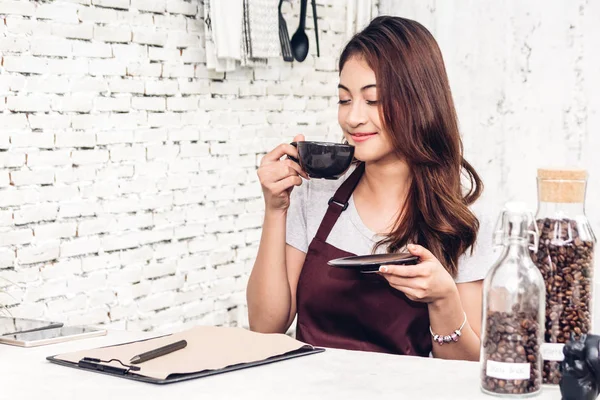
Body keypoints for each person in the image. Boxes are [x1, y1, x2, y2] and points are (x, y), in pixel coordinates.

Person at [246, 15, 495, 361]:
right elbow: (264, 326)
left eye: (373, 100)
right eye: (345, 100)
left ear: (419, 101)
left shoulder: (462, 218)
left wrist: (443, 300)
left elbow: (467, 371)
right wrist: (275, 208)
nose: (353, 118)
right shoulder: (314, 193)